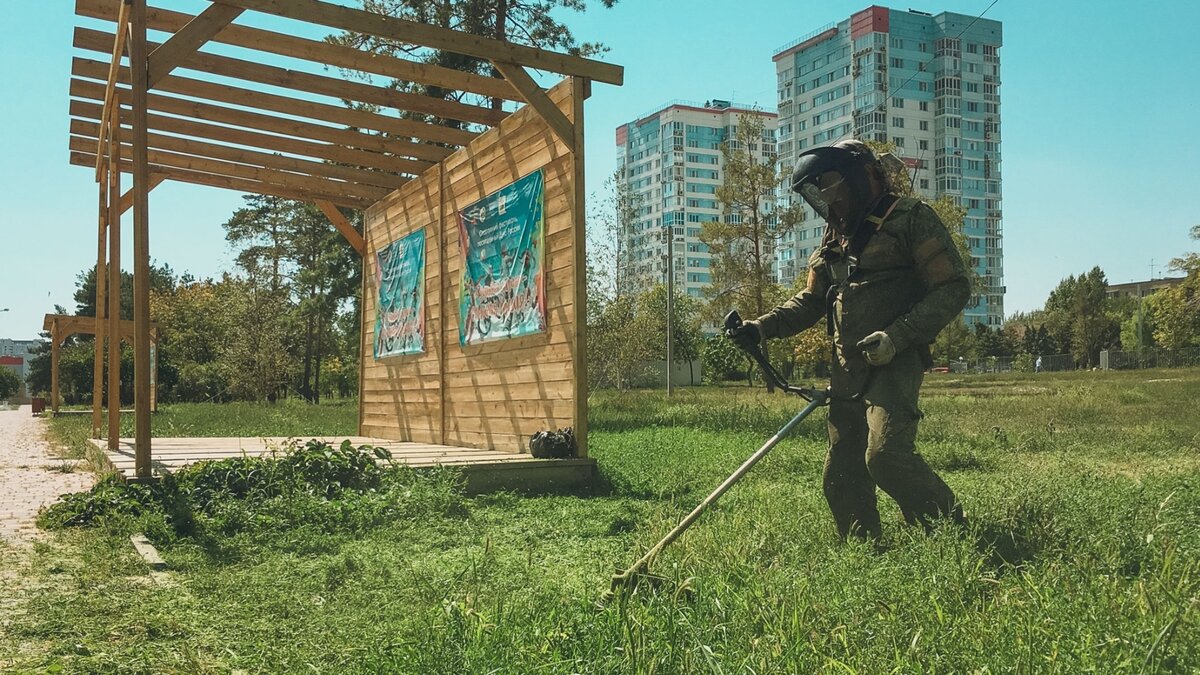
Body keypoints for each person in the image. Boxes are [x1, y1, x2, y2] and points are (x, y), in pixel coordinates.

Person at [728, 139, 969, 541]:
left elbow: (953, 287)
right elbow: (810, 302)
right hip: (847, 371)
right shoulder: (833, 238)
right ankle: (864, 553)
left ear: (861, 178)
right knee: (841, 473)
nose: (828, 199)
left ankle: (952, 536)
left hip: (895, 361)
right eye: (818, 191)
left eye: (832, 185)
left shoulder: (911, 218)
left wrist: (897, 336)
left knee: (887, 457)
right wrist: (761, 327)